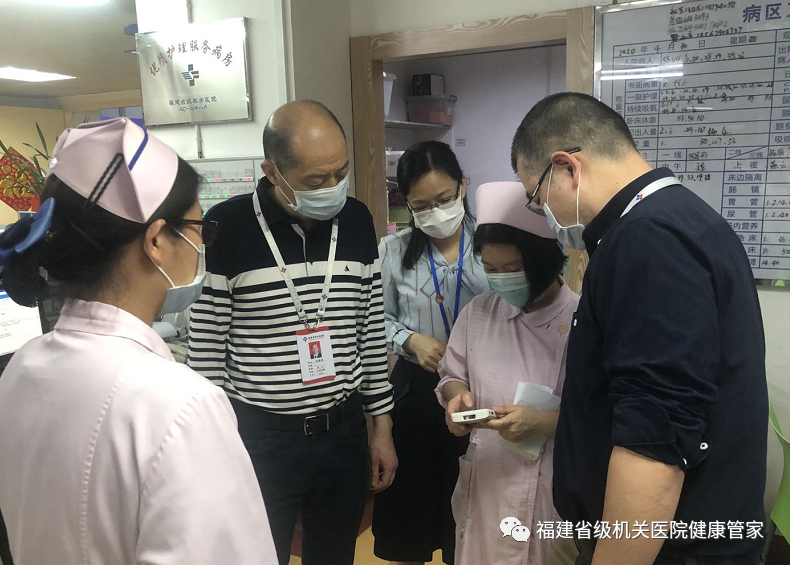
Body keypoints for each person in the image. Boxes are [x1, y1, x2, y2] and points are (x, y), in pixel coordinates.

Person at [0, 118, 277, 564]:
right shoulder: (179, 407)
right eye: (199, 227)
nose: (202, 245)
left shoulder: (22, 369)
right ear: (156, 240)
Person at [511, 92, 768, 565]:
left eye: (537, 198)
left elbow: (654, 439)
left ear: (567, 167)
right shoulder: (681, 217)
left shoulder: (648, 239)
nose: (545, 215)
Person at [187, 100, 397, 565]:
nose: (333, 187)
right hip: (261, 438)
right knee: (257, 555)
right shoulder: (227, 227)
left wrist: (381, 429)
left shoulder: (357, 220)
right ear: (272, 171)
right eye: (316, 180)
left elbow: (369, 331)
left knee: (335, 556)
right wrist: (208, 448)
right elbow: (207, 351)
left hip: (343, 431)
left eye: (341, 172)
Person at [435, 181, 579, 565]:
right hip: (487, 479)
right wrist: (457, 399)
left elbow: (603, 414)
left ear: (545, 260)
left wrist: (544, 423)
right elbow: (452, 374)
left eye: (513, 269)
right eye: (491, 269)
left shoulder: (582, 320)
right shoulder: (479, 312)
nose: (502, 279)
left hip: (551, 486)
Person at [372, 141, 489, 565]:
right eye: (421, 205)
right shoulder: (394, 251)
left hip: (481, 391)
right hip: (418, 393)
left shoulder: (492, 243)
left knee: (471, 517)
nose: (435, 213)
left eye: (443, 199)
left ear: (462, 187)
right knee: (412, 518)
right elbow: (373, 318)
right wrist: (408, 339)